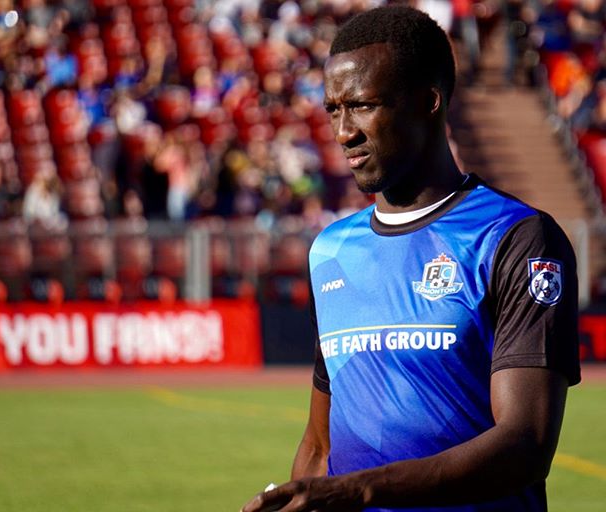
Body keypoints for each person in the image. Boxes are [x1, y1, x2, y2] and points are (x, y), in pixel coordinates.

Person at [242, 6, 580, 512]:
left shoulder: (516, 238)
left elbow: (525, 445)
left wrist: (355, 491)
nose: (342, 132)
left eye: (361, 105)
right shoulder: (330, 251)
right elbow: (320, 445)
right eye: (333, 109)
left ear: (429, 102)